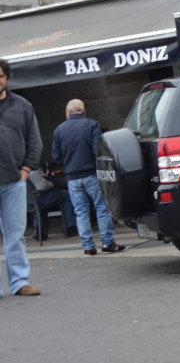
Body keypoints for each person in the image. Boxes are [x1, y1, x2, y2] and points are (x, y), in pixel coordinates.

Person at [52, 99, 125, 255]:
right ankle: (107, 243)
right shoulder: (92, 125)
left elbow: (56, 157)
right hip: (91, 174)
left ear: (68, 113)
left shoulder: (59, 130)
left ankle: (88, 247)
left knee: (80, 211)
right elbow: (96, 151)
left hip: (72, 177)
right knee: (102, 208)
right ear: (83, 111)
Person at [0, 58, 42, 297]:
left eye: (0, 76)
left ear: (7, 78)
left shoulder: (22, 106)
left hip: (14, 180)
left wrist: (26, 169)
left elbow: (34, 140)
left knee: (15, 235)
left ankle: (19, 282)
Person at [27, 169, 77, 240]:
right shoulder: (30, 171)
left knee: (40, 205)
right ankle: (70, 227)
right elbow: (42, 186)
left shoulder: (13, 172)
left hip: (24, 204)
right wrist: (49, 184)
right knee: (66, 195)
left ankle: (39, 230)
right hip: (37, 201)